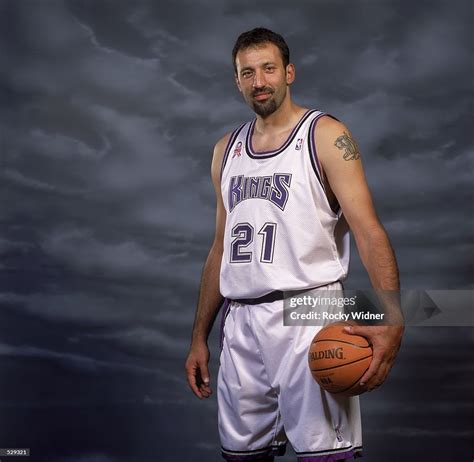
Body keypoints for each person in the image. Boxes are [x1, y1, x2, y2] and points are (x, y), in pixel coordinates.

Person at [185, 27, 404, 462]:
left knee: (325, 456)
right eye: (247, 72)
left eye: (268, 69)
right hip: (241, 319)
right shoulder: (225, 150)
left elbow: (368, 230)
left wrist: (392, 318)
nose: (258, 81)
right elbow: (219, 250)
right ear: (237, 80)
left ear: (289, 72)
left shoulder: (324, 135)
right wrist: (198, 338)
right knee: (241, 457)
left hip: (309, 312)